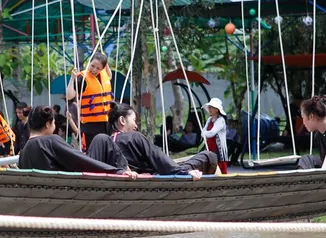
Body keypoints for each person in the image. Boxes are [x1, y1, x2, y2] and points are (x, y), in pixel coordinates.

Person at [86, 103, 217, 180]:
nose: (136, 125)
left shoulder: (106, 143)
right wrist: (185, 172)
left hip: (140, 175)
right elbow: (158, 158)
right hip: (158, 176)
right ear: (122, 120)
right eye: (134, 120)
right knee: (209, 156)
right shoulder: (134, 136)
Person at [18, 105, 137, 177]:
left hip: (49, 193)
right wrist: (117, 172)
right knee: (102, 139)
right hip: (72, 190)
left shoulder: (23, 153)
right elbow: (81, 161)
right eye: (54, 123)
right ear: (48, 124)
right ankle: (126, 170)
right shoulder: (50, 141)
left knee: (101, 140)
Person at [69, 50, 113, 150]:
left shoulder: (104, 76)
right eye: (92, 66)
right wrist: (72, 79)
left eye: (98, 68)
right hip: (90, 125)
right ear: (89, 62)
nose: (94, 69)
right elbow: (69, 96)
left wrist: (105, 60)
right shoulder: (82, 78)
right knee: (93, 151)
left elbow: (109, 75)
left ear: (102, 68)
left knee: (106, 150)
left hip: (106, 123)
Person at [201, 97, 229, 174]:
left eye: (212, 107)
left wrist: (204, 133)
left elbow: (212, 133)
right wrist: (204, 133)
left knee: (220, 166)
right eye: (209, 107)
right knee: (210, 165)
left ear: (217, 109)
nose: (210, 109)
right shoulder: (209, 119)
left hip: (218, 148)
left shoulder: (221, 120)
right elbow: (203, 131)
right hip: (210, 146)